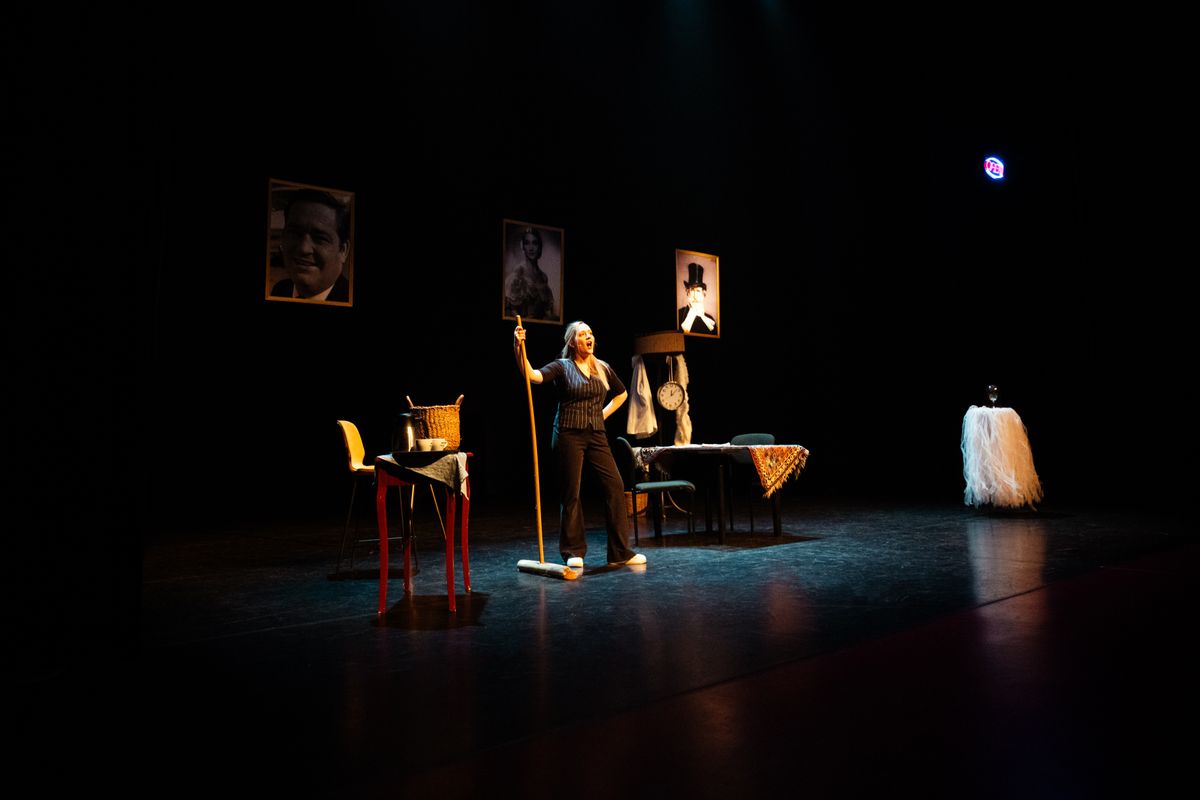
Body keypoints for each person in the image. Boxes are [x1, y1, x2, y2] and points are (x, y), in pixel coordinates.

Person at [513, 320, 645, 569]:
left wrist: (601, 415)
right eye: (583, 334)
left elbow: (622, 394)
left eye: (591, 333)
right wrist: (518, 347)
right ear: (573, 342)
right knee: (571, 492)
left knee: (615, 486)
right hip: (568, 433)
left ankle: (620, 552)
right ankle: (573, 550)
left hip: (597, 435)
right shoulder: (562, 366)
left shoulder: (602, 367)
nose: (589, 337)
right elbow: (533, 376)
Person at [270, 189, 351, 302]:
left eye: (320, 238)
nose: (303, 248)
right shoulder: (281, 289)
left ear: (343, 250)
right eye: (295, 233)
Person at [504, 226, 556, 320]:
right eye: (527, 243)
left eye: (534, 243)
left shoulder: (543, 277)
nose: (531, 248)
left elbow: (547, 311)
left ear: (539, 247)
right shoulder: (517, 274)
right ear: (523, 246)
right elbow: (509, 310)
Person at [677, 262, 717, 334]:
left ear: (704, 294)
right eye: (692, 290)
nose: (695, 296)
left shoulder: (710, 320)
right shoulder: (679, 314)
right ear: (688, 292)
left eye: (698, 291)